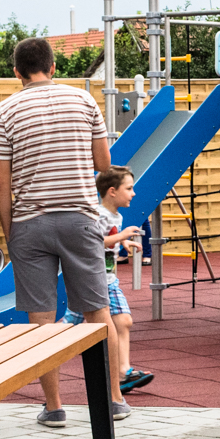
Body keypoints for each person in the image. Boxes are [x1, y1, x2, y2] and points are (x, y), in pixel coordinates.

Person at [0, 37, 128, 427]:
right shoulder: (84, 100)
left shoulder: (4, 111)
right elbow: (104, 163)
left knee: (41, 319)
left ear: (17, 72)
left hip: (30, 223)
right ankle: (114, 399)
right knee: (97, 310)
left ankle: (54, 407)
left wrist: (11, 231)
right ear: (53, 67)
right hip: (80, 219)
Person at [95, 166, 152, 395]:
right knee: (69, 329)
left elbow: (109, 240)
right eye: (129, 189)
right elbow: (93, 241)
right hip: (93, 282)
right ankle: (45, 364)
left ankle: (123, 373)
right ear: (112, 191)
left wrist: (122, 242)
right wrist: (121, 236)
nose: (133, 193)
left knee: (124, 321)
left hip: (109, 281)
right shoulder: (99, 215)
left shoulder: (115, 216)